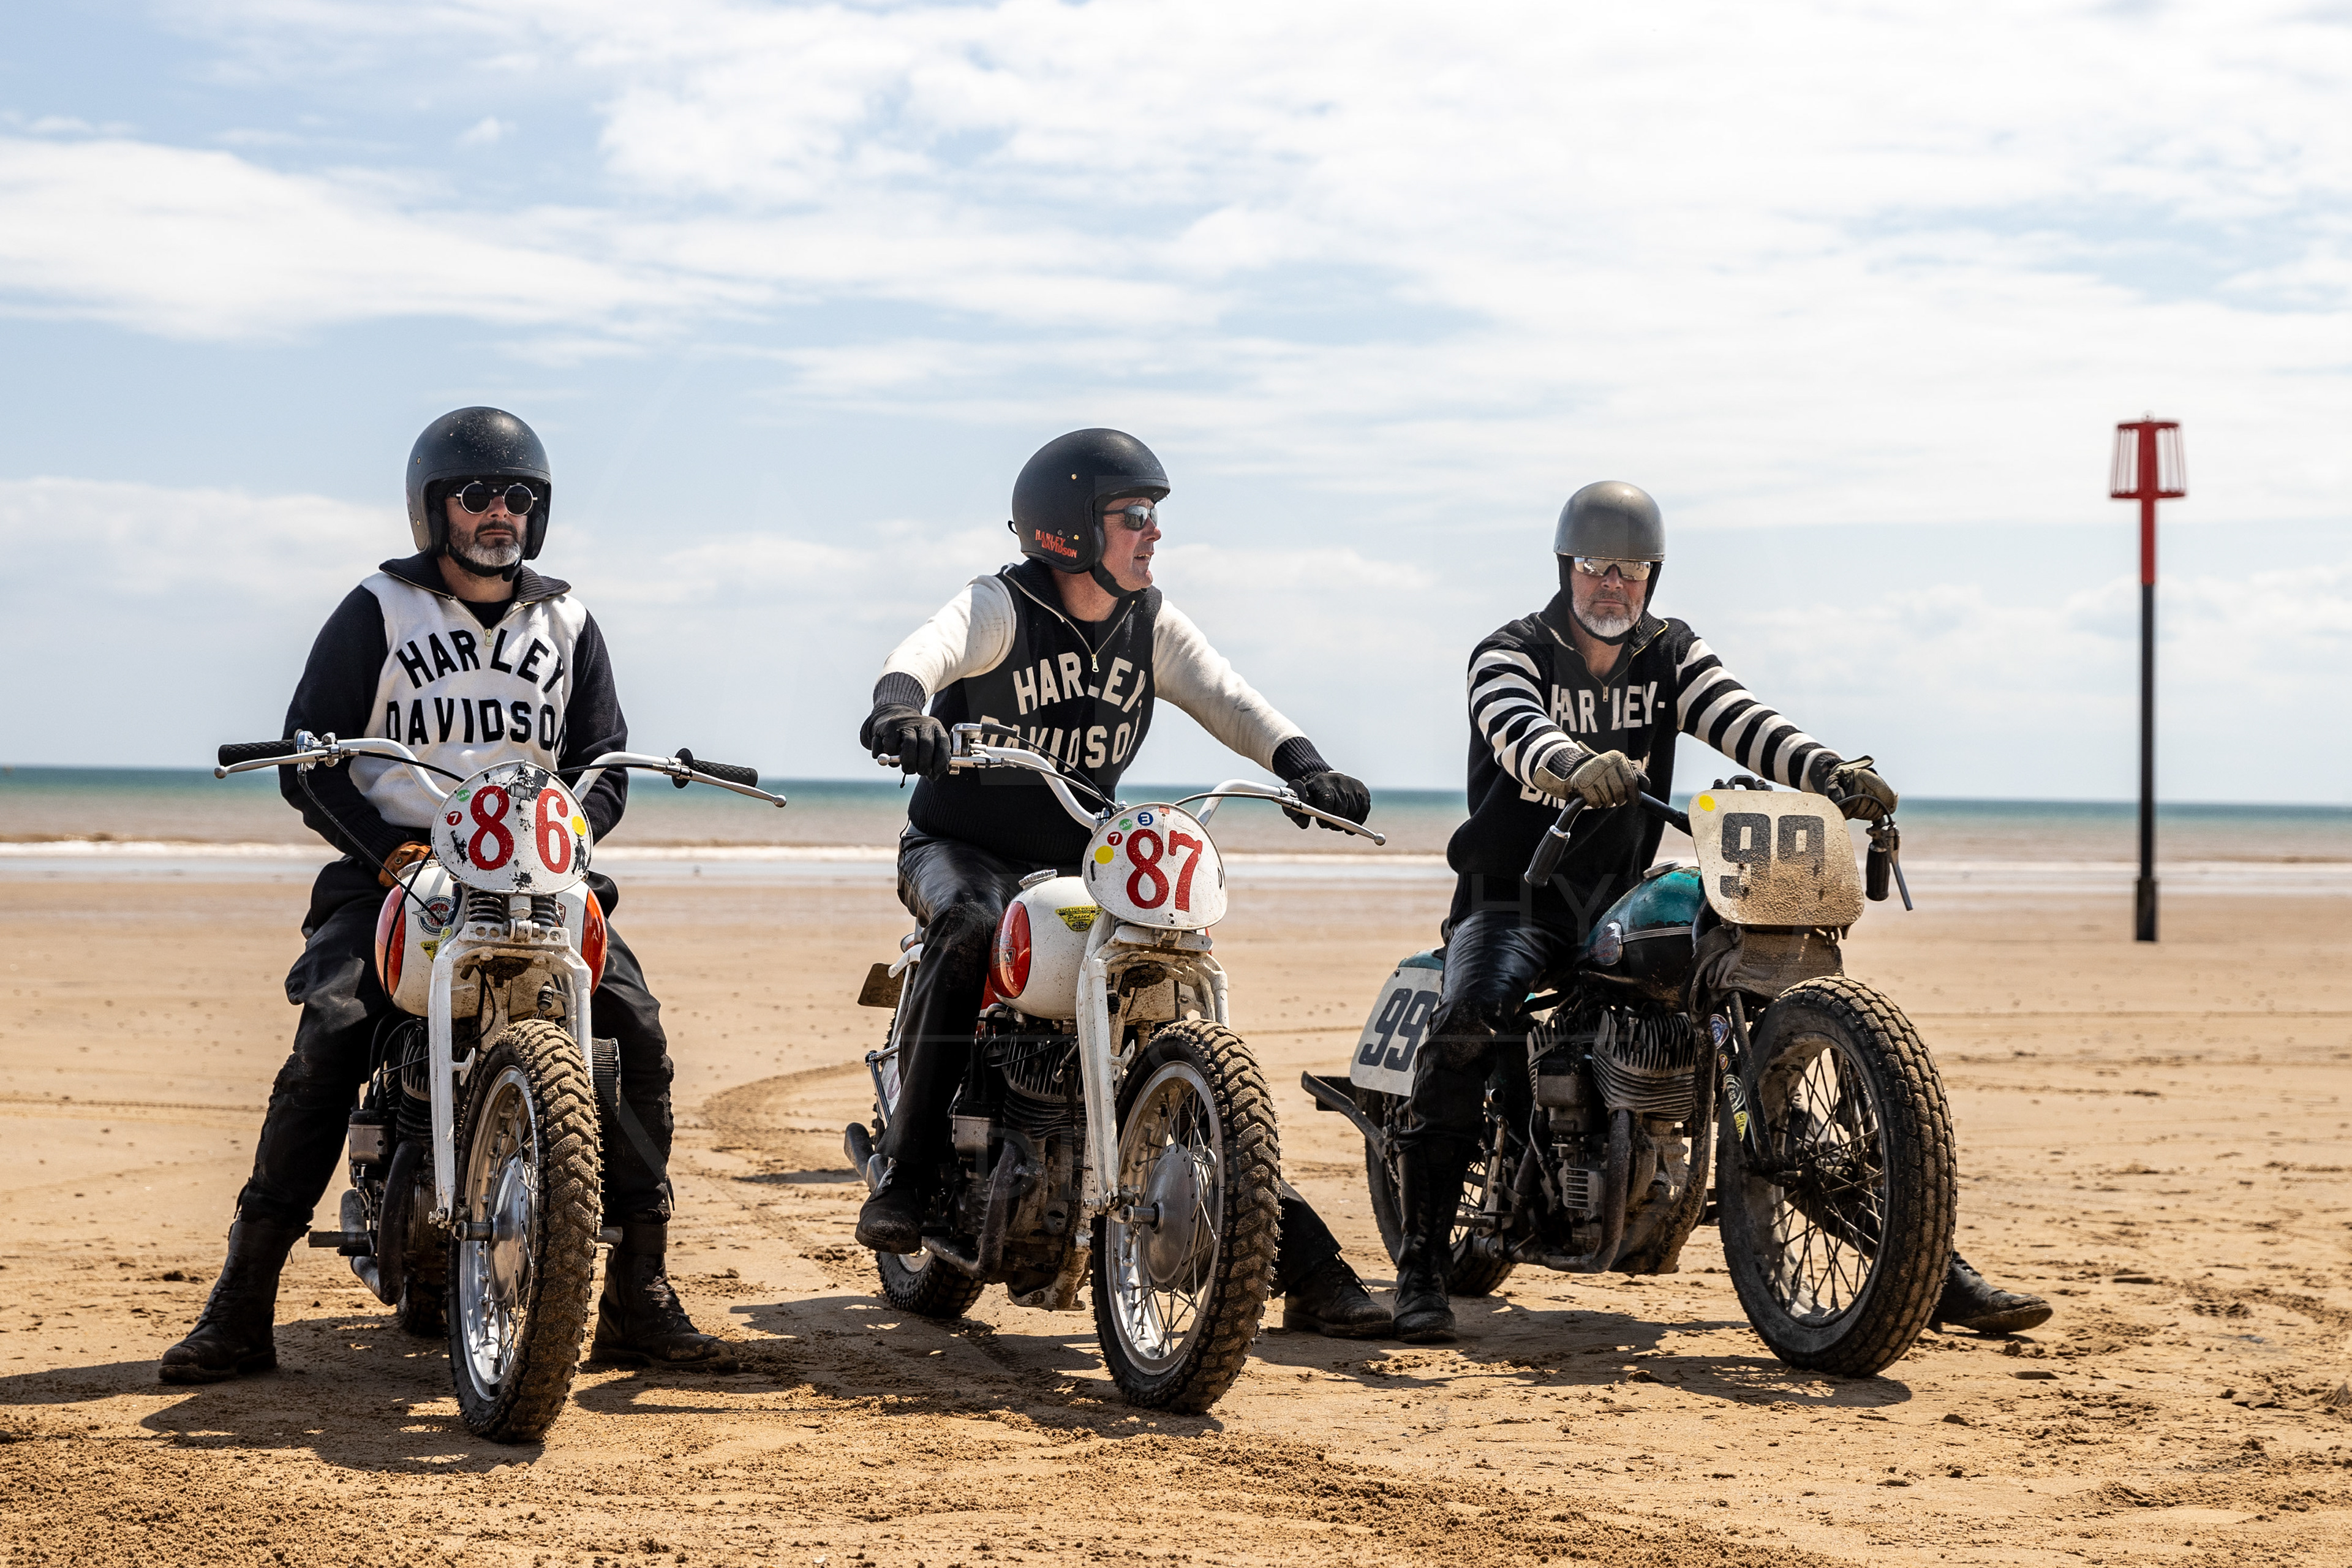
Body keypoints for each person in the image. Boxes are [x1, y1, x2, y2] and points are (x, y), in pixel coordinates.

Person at [1389, 480, 2054, 1344]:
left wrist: (1829, 774)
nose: (1612, 586)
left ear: (1652, 578)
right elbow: (1513, 727)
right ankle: (1420, 1269)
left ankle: (1921, 1262)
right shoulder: (1509, 650)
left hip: (1618, 891)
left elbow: (1743, 718)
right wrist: (1572, 763)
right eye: (1595, 567)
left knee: (1746, 1011)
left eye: (1631, 570)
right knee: (1473, 1020)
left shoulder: (1671, 653)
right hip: (1516, 892)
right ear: (1566, 569)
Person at [161, 407, 731, 1382]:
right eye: (477, 495)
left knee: (635, 1032)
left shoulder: (571, 620)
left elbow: (604, 765)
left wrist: (570, 833)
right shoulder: (379, 608)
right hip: (400, 868)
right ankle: (242, 1302)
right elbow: (313, 758)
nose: (499, 512)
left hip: (535, 871)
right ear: (436, 510)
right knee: (333, 1031)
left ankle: (640, 1290)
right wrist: (387, 852)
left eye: (518, 497)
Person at [853, 426, 1392, 1338]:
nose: (1151, 535)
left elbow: (1229, 698)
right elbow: (930, 648)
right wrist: (902, 708)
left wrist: (1305, 767)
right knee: (971, 930)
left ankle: (1295, 1253)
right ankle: (906, 1175)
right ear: (1068, 529)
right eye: (1133, 516)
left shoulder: (1152, 624)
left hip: (1081, 860)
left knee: (1171, 985)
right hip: (963, 847)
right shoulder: (1002, 605)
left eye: (1154, 518)